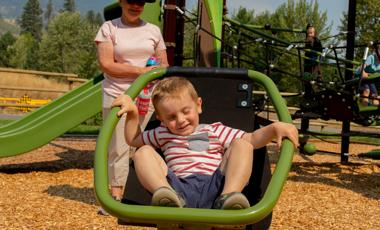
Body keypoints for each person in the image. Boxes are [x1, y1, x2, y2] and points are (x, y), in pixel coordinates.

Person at [112, 77, 299, 209]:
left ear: (198, 105)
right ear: (160, 118)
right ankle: (164, 195)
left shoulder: (214, 130)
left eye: (186, 111)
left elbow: (252, 139)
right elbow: (134, 140)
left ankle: (230, 196)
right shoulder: (163, 133)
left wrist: (273, 129)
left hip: (216, 187)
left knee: (242, 144)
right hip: (177, 189)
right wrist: (133, 113)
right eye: (171, 117)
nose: (181, 120)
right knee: (142, 151)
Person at [94, 0, 169, 212]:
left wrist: (152, 72)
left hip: (146, 95)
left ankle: (142, 193)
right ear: (121, 2)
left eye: (140, 2)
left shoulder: (153, 30)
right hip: (118, 94)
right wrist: (140, 72)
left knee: (144, 144)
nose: (135, 6)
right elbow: (107, 64)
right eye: (131, 1)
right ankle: (115, 197)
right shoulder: (109, 28)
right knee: (118, 146)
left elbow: (164, 64)